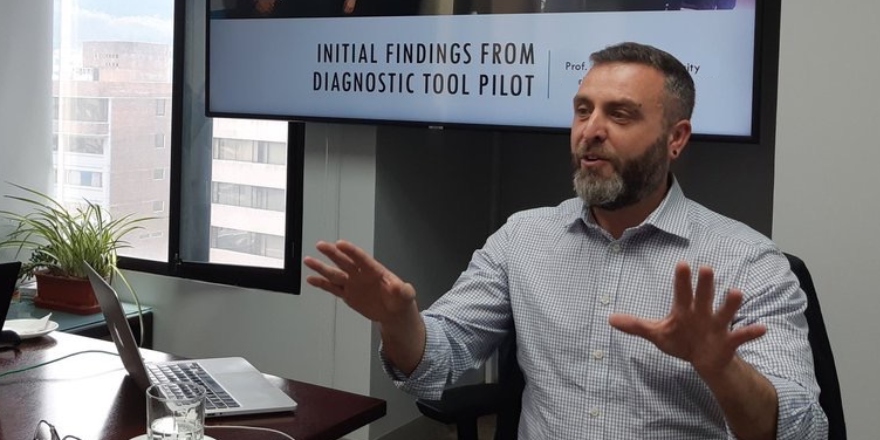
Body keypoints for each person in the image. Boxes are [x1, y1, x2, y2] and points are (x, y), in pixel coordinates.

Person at [304, 42, 828, 439]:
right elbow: (437, 360)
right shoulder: (524, 238)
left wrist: (721, 368)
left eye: (619, 114)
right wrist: (401, 323)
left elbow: (803, 429)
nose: (590, 130)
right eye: (583, 110)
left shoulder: (749, 263)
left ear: (676, 139)